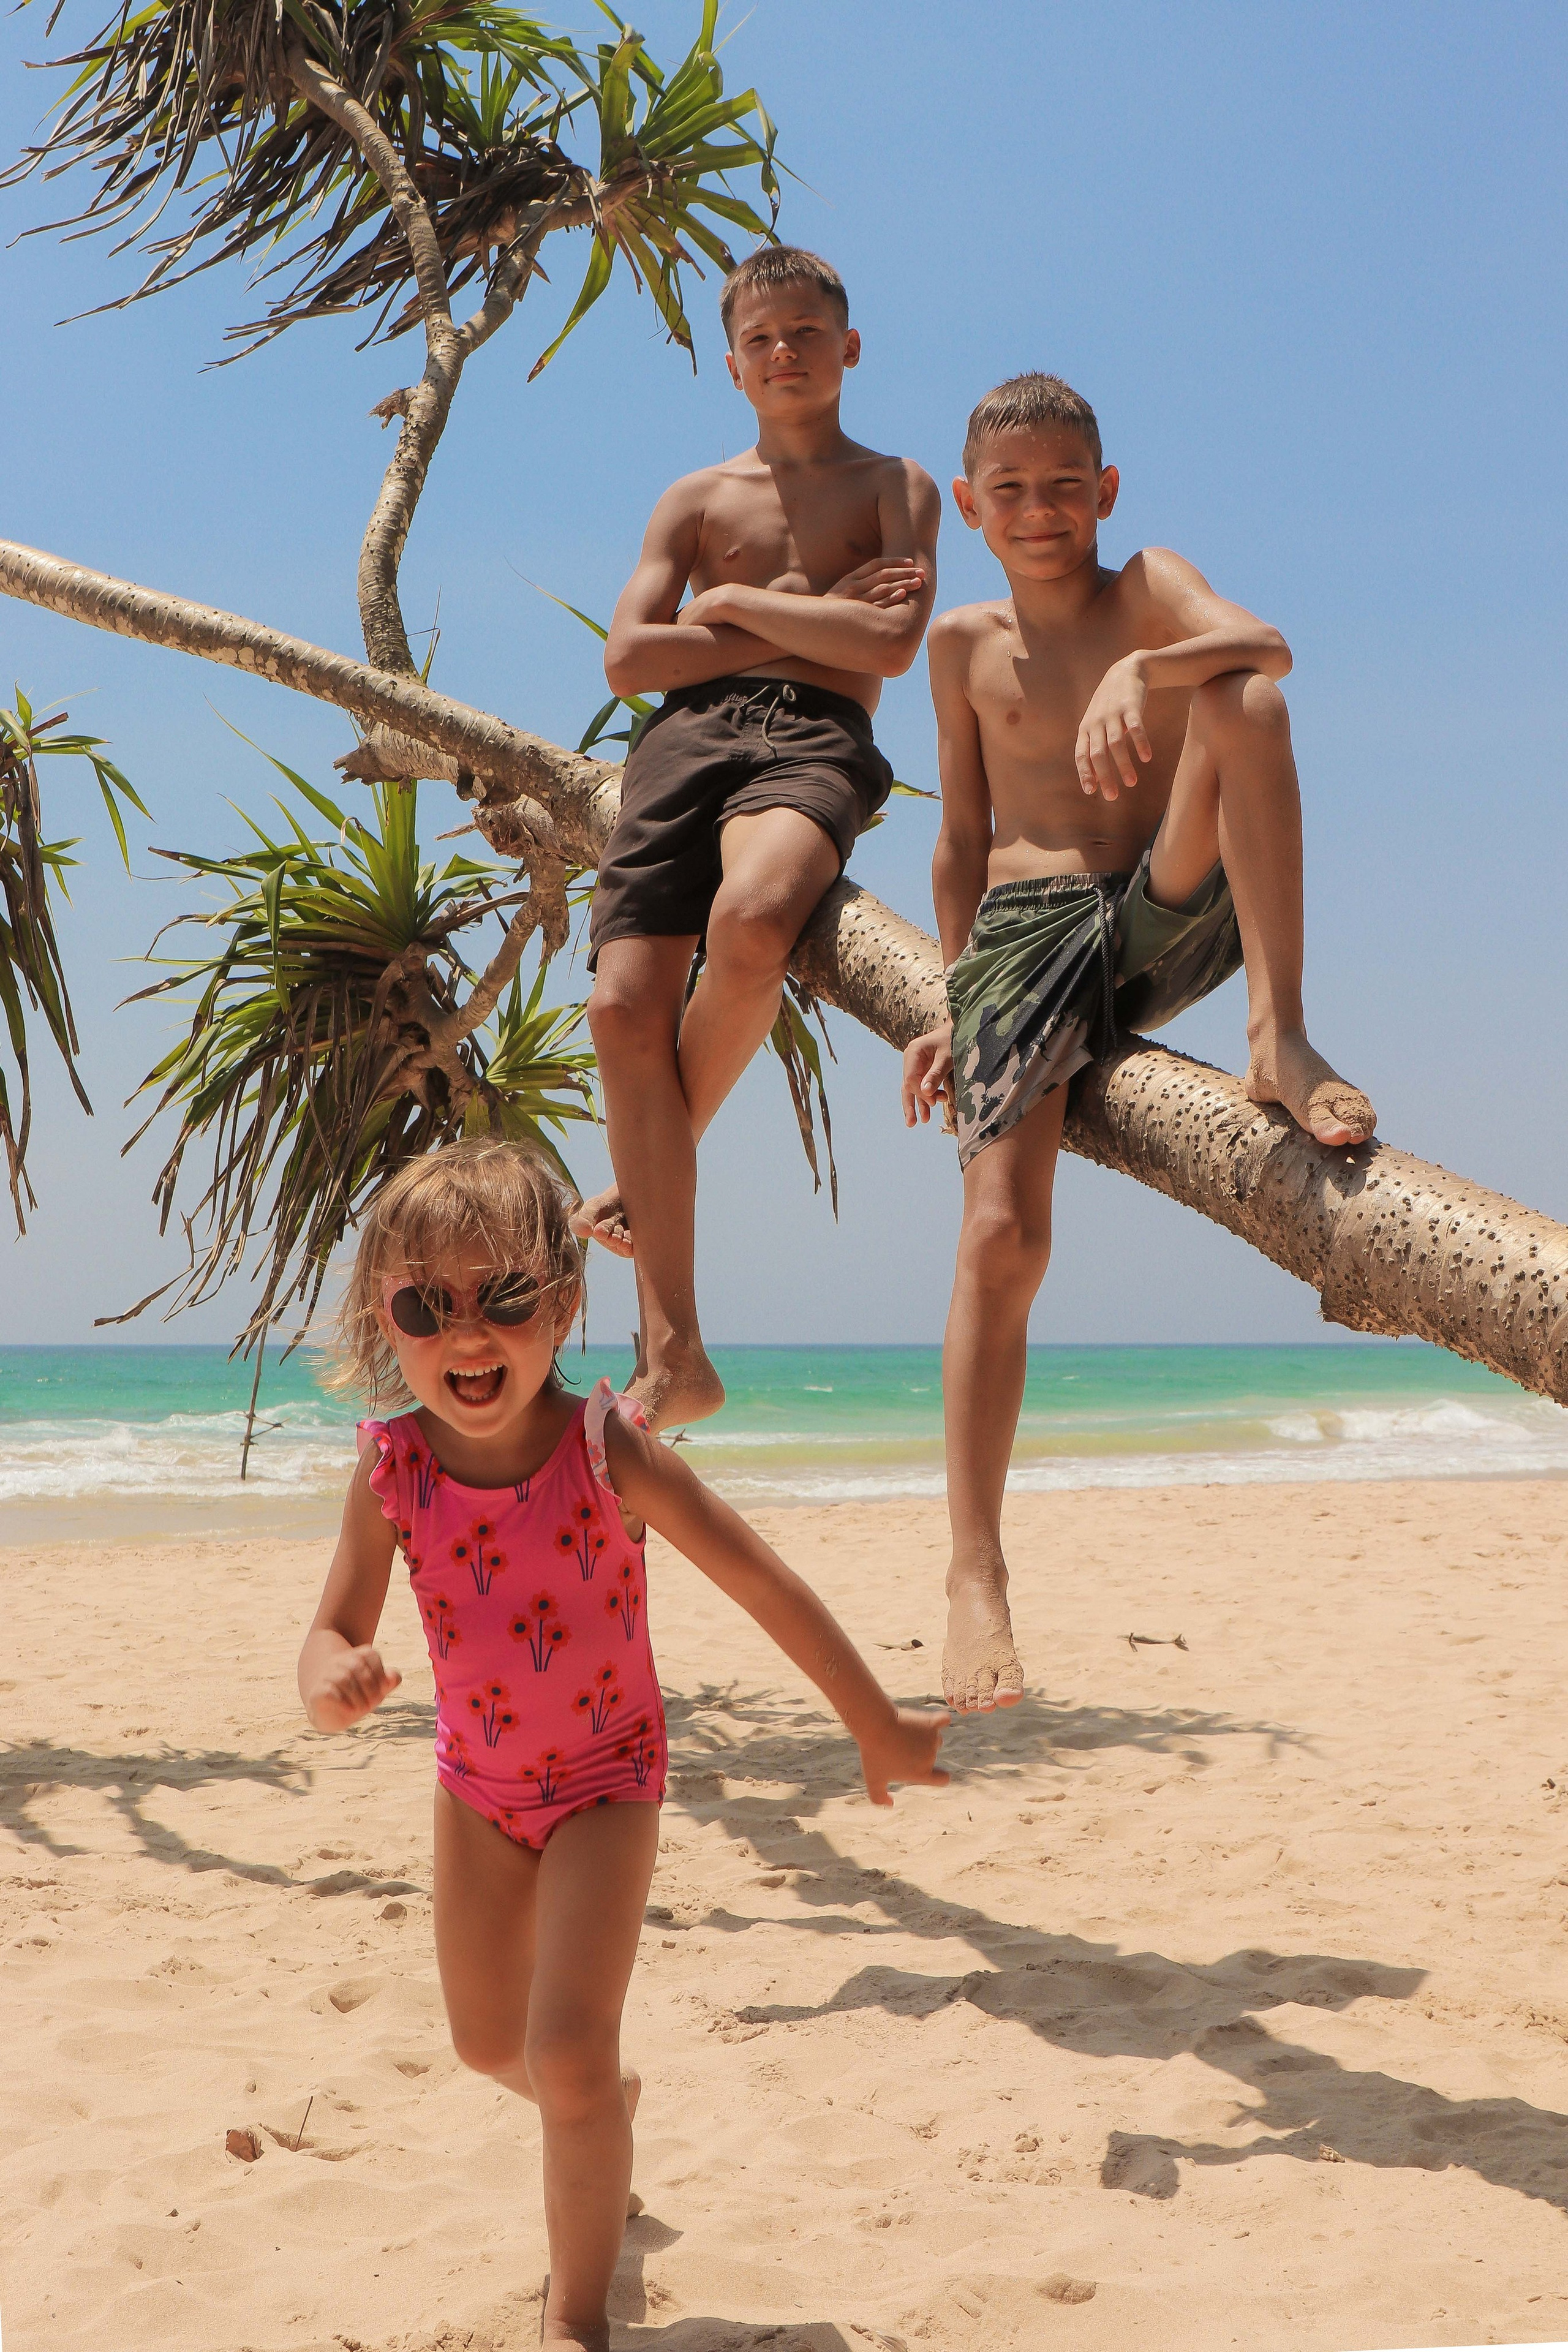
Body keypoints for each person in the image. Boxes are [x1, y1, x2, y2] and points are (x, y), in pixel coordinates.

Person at [298, 1137, 948, 2352]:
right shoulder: (391, 1472)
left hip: (606, 1785)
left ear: (564, 1300)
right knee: (489, 2045)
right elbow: (333, 1623)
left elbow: (760, 1581)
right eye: (425, 1306)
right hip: (474, 1792)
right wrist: (328, 1671)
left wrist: (875, 1724)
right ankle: (602, 2107)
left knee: (564, 2055)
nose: (468, 1333)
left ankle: (577, 2319)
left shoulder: (605, 1455)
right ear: (386, 1321)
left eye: (505, 1297)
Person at [901, 373, 1376, 1718]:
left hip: (1171, 911)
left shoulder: (1150, 587)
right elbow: (952, 840)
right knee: (1004, 1235)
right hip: (1025, 929)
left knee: (1248, 704)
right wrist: (948, 1000)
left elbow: (1264, 646)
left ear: (1104, 492)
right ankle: (973, 1568)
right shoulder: (958, 644)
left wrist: (1148, 666)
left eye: (1065, 485)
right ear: (967, 504)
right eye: (1011, 491)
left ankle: (1276, 1036)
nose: (1040, 510)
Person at [575, 244, 942, 1429]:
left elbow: (885, 653)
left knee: (753, 918)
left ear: (849, 348)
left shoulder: (898, 484)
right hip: (682, 744)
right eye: (761, 338)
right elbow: (632, 661)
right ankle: (675, 1354)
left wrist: (724, 608)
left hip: (817, 741)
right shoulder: (694, 499)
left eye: (806, 331)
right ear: (731, 365)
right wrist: (807, 620)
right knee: (620, 1008)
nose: (784, 352)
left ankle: (645, 1180)